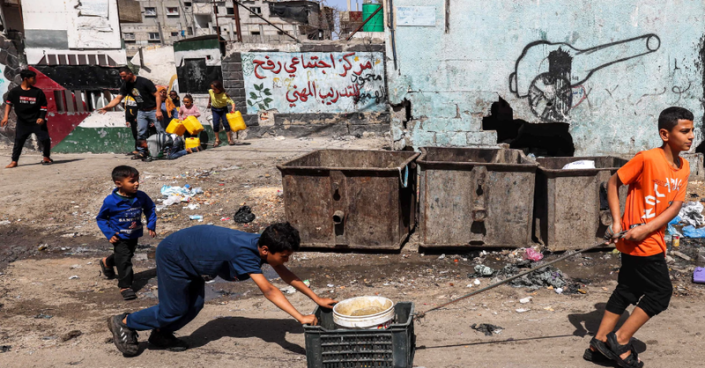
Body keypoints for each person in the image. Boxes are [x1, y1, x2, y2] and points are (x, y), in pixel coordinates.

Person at [107, 223, 337, 356]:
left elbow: (285, 274)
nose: (286, 261)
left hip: (193, 257)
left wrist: (317, 299)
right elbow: (269, 290)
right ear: (266, 250)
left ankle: (161, 335)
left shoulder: (263, 246)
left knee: (195, 305)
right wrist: (299, 317)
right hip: (174, 255)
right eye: (284, 256)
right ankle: (126, 322)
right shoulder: (245, 253)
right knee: (172, 309)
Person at [586, 107, 694, 368]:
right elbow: (612, 183)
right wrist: (616, 221)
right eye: (684, 131)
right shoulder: (646, 158)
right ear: (665, 134)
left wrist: (647, 228)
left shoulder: (684, 167)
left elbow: (674, 207)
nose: (691, 136)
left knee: (628, 289)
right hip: (639, 242)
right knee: (660, 293)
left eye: (692, 130)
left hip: (649, 237)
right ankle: (620, 340)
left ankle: (598, 344)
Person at [96, 165, 157, 301]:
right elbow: (101, 218)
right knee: (124, 260)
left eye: (137, 180)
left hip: (133, 234)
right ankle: (125, 286)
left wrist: (151, 224)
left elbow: (150, 208)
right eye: (132, 181)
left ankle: (107, 262)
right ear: (119, 184)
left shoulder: (141, 196)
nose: (137, 184)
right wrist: (109, 233)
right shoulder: (111, 201)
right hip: (118, 235)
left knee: (126, 254)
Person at [98, 67, 163, 155]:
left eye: (124, 76)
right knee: (141, 132)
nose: (122, 79)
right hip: (141, 111)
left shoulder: (144, 82)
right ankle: (142, 151)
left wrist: (158, 110)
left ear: (130, 74)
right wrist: (107, 107)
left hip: (153, 110)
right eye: (121, 77)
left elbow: (157, 95)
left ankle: (166, 149)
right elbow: (118, 98)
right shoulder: (126, 85)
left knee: (161, 131)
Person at [1, 69, 51, 168]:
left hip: (37, 121)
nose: (35, 80)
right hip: (23, 122)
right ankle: (14, 161)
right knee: (18, 141)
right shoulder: (15, 92)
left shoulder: (38, 92)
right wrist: (6, 116)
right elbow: (9, 104)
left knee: (45, 139)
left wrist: (41, 117)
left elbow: (43, 106)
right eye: (33, 78)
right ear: (26, 79)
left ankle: (46, 157)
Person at [134, 132, 201, 161]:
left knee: (170, 156)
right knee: (168, 151)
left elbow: (155, 156)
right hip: (176, 139)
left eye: (143, 147)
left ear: (143, 144)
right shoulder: (151, 138)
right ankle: (194, 149)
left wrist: (146, 156)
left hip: (175, 141)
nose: (145, 148)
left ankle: (186, 151)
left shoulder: (150, 142)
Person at [207, 80, 236, 147]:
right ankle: (217, 140)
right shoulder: (211, 91)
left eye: (214, 89)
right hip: (215, 109)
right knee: (215, 123)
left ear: (219, 88)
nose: (213, 90)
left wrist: (233, 109)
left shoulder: (224, 95)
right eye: (212, 88)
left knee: (226, 123)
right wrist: (209, 103)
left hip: (223, 110)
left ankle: (229, 139)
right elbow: (210, 96)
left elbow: (232, 102)